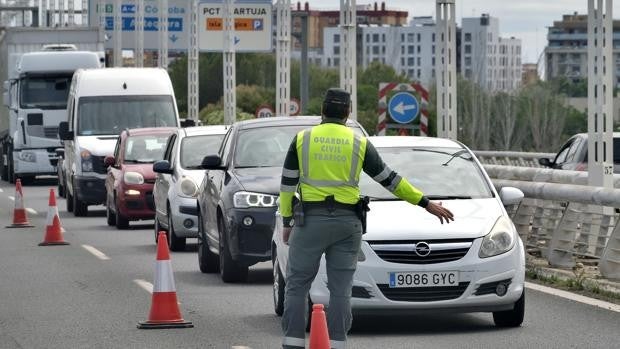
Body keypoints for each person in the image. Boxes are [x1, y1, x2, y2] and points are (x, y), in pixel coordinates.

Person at [279, 88, 454, 349]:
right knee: (340, 290)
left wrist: (286, 221)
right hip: (347, 224)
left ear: (323, 111)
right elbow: (390, 180)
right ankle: (338, 344)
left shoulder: (302, 139)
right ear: (348, 113)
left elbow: (287, 185)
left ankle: (292, 344)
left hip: (310, 222)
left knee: (296, 286)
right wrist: (425, 203)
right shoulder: (359, 142)